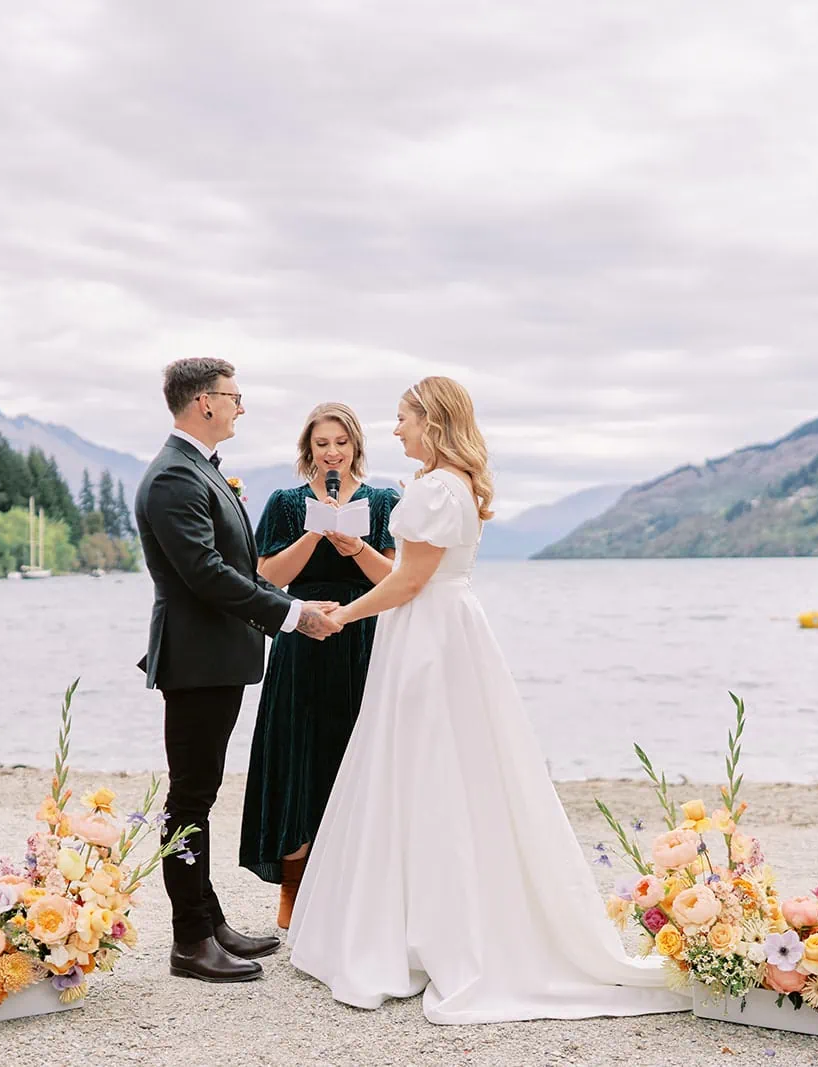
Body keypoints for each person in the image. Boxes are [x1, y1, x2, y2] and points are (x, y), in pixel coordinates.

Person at [289, 377, 686, 1024]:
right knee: (453, 768)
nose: (395, 431)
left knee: (423, 767)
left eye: (402, 419)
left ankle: (419, 927)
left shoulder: (431, 487)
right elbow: (413, 576)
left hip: (427, 636)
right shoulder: (455, 485)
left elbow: (410, 582)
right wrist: (360, 560)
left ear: (432, 421)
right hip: (445, 627)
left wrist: (341, 616)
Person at [133, 357, 342, 984]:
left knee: (199, 795)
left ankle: (209, 918)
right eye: (234, 397)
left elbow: (234, 565)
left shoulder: (198, 470)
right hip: (195, 660)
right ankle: (189, 940)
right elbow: (205, 575)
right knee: (189, 800)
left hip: (214, 657)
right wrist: (294, 615)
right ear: (204, 403)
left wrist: (292, 605)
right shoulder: (174, 477)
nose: (240, 407)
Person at [241, 403, 399, 930]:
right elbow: (266, 576)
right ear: (308, 449)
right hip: (302, 641)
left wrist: (354, 547)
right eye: (322, 443)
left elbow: (395, 578)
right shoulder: (286, 503)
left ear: (356, 447)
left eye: (341, 443)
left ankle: (359, 891)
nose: (332, 453)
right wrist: (313, 532)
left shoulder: (383, 501)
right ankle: (293, 888)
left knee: (356, 756)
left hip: (362, 640)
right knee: (298, 760)